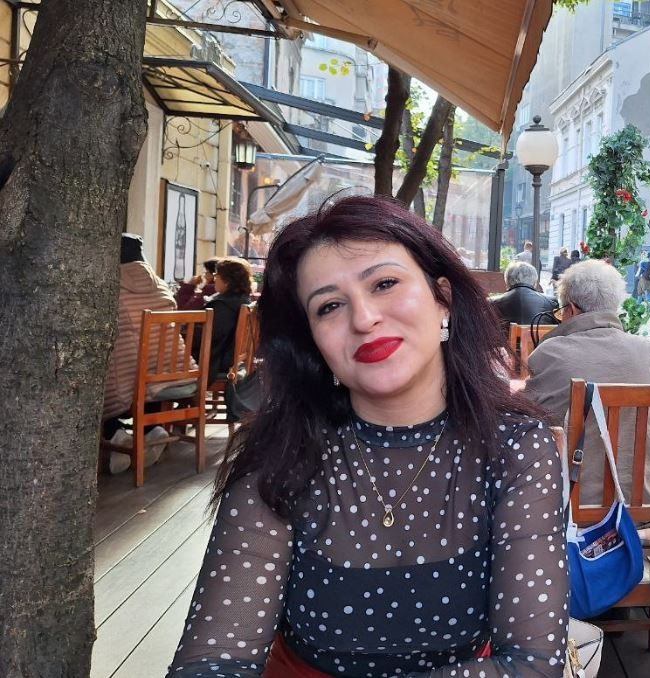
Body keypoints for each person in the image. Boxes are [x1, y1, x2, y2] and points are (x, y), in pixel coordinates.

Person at [167, 195, 568, 677]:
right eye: (329, 306)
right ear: (312, 341)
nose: (363, 319)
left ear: (443, 298)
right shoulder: (281, 453)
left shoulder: (516, 446)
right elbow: (213, 659)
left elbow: (532, 665)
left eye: (384, 283)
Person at [525, 259, 650, 506]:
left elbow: (529, 420)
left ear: (572, 309)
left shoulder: (549, 353)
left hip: (569, 505)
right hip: (646, 505)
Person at [103, 234, 191, 474]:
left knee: (100, 382)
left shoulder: (111, 288)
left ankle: (115, 434)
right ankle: (151, 429)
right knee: (148, 366)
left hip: (133, 377)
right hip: (175, 372)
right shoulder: (161, 286)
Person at [192, 256, 252, 384]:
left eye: (217, 275)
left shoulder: (222, 305)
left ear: (227, 281)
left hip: (216, 363)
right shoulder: (244, 300)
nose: (214, 279)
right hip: (233, 359)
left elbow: (207, 337)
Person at [490, 260, 557, 329]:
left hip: (504, 336)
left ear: (507, 281)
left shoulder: (491, 303)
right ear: (535, 282)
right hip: (539, 336)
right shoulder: (552, 302)